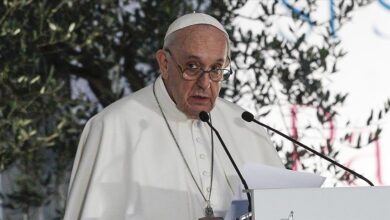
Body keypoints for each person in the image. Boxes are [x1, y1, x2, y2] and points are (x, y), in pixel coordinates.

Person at [64, 13, 283, 220]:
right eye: (192, 66)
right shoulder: (111, 127)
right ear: (164, 64)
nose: (205, 83)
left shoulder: (246, 126)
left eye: (216, 68)